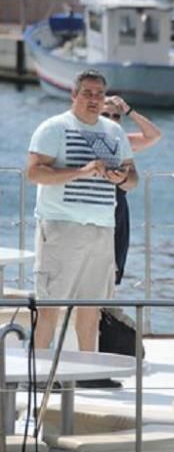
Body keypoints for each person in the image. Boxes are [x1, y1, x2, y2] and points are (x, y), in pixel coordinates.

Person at [26, 69, 136, 369]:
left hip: (102, 229)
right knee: (50, 308)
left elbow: (132, 180)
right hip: (61, 228)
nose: (94, 99)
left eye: (99, 94)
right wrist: (82, 171)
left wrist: (120, 177)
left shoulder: (114, 133)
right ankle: (37, 374)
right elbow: (34, 173)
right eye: (87, 93)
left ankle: (89, 373)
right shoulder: (53, 128)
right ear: (73, 95)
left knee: (91, 309)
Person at [101, 95, 162, 285]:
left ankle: (103, 312)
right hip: (88, 208)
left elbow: (154, 135)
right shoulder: (80, 135)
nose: (111, 120)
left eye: (116, 116)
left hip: (116, 206)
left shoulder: (123, 140)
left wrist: (129, 111)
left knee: (113, 269)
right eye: (105, 114)